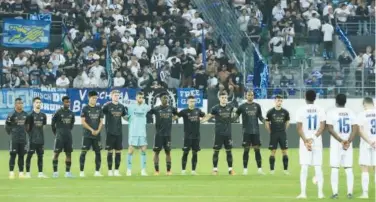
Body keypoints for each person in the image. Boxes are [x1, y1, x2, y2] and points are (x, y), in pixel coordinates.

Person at [296, 90, 326, 199]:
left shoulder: (301, 110)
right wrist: (313, 138)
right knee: (318, 167)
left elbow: (298, 127)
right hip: (316, 141)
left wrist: (306, 141)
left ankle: (303, 193)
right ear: (315, 98)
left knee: (304, 167)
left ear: (305, 97)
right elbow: (322, 126)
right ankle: (320, 193)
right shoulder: (320, 109)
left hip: (305, 141)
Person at [327, 94, 357, 199]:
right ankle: (349, 193)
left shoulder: (331, 112)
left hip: (336, 143)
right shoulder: (351, 112)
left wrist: (341, 141)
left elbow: (330, 129)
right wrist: (348, 141)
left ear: (336, 102)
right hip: (348, 144)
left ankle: (335, 193)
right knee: (348, 168)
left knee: (335, 168)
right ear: (345, 101)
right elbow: (355, 129)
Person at [201, 91, 235, 175]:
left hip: (228, 133)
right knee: (216, 151)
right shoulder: (215, 108)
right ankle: (215, 169)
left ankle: (230, 170)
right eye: (222, 98)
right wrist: (202, 121)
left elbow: (236, 115)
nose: (224, 99)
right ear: (219, 98)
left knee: (229, 152)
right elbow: (209, 116)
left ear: (227, 98)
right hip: (218, 133)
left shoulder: (230, 107)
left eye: (225, 98)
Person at [233, 90, 265, 175]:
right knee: (246, 150)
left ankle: (259, 169)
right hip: (246, 132)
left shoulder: (257, 106)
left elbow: (260, 117)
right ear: (246, 96)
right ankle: (245, 169)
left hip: (256, 132)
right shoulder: (242, 107)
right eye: (249, 95)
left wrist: (266, 122)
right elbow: (235, 117)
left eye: (252, 95)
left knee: (257, 150)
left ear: (253, 96)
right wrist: (228, 119)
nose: (250, 96)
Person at [149, 94, 178, 175]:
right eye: (164, 98)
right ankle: (156, 171)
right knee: (156, 152)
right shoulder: (156, 109)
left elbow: (177, 115)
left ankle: (168, 171)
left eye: (167, 98)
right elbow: (148, 113)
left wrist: (173, 118)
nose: (165, 99)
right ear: (160, 100)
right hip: (159, 134)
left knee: (168, 152)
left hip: (168, 135)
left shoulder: (171, 108)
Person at [177, 95, 205, 175]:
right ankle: (183, 170)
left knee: (195, 153)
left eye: (193, 101)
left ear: (195, 102)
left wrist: (202, 121)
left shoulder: (198, 111)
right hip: (187, 136)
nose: (192, 103)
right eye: (190, 101)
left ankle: (193, 171)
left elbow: (205, 115)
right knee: (185, 152)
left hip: (196, 136)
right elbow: (175, 117)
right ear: (187, 102)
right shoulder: (184, 111)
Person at [102, 90, 128, 177]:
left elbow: (125, 117)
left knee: (118, 152)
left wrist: (132, 117)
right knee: (109, 151)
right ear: (111, 96)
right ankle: (110, 170)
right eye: (115, 95)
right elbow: (101, 115)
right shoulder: (107, 106)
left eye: (118, 95)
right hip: (110, 132)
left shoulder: (121, 106)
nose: (116, 97)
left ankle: (116, 170)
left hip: (119, 132)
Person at [79, 91, 104, 177]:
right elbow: (82, 121)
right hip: (87, 135)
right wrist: (91, 129)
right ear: (89, 98)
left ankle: (97, 171)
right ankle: (81, 172)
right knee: (83, 152)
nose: (94, 100)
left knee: (98, 153)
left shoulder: (99, 108)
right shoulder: (85, 108)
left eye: (96, 98)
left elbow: (101, 121)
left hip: (97, 135)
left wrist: (97, 130)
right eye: (93, 98)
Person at [127, 91, 151, 176]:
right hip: (133, 131)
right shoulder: (130, 107)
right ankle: (129, 170)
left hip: (142, 132)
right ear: (136, 97)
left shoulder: (146, 107)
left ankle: (143, 170)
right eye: (139, 97)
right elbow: (126, 117)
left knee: (144, 150)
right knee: (131, 150)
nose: (141, 99)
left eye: (142, 97)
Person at [265, 95, 290, 175]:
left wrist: (284, 130)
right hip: (274, 134)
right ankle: (272, 170)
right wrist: (270, 131)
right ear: (275, 101)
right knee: (273, 152)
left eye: (280, 100)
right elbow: (267, 123)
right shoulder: (270, 112)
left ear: (282, 101)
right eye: (278, 100)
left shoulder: (285, 112)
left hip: (282, 134)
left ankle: (285, 170)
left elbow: (287, 122)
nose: (279, 102)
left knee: (284, 151)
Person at [51, 96, 75, 178]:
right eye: (66, 102)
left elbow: (71, 124)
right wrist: (57, 133)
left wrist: (67, 131)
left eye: (68, 102)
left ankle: (67, 173)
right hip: (59, 136)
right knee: (56, 154)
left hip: (68, 137)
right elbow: (52, 124)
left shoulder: (71, 113)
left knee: (69, 154)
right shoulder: (57, 112)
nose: (67, 103)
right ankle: (55, 172)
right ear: (63, 102)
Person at [357, 97, 376, 199]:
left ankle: (365, 193)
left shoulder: (362, 114)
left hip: (366, 144)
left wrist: (369, 141)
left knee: (365, 168)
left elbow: (360, 130)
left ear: (364, 104)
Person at [25, 97, 48, 178]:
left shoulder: (43, 115)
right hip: (32, 140)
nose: (38, 104)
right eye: (37, 102)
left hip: (41, 140)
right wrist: (32, 135)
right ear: (33, 104)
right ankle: (27, 173)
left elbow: (43, 127)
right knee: (29, 155)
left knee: (40, 156)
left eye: (39, 102)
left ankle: (40, 173)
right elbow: (27, 128)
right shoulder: (30, 115)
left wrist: (39, 134)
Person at [6, 98, 28, 179]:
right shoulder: (11, 114)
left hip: (23, 139)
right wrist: (11, 134)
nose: (20, 104)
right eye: (19, 103)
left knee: (21, 156)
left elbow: (27, 125)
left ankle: (21, 173)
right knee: (13, 155)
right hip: (14, 139)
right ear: (15, 104)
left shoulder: (26, 114)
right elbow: (7, 126)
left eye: (22, 103)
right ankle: (11, 172)